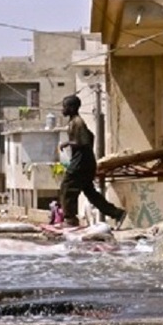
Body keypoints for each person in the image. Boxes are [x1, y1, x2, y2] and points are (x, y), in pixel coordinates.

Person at [59, 95, 127, 229]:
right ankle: (117, 213)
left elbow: (83, 141)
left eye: (65, 106)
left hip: (81, 162)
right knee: (90, 192)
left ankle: (70, 219)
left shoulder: (77, 122)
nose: (63, 109)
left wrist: (67, 143)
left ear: (72, 108)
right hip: (86, 161)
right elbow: (91, 136)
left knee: (67, 187)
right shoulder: (75, 122)